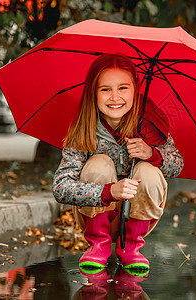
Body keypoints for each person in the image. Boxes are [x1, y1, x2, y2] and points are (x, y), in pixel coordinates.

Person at [52, 53, 183, 270]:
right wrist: (109, 191)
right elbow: (60, 187)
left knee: (148, 171)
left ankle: (131, 247)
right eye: (105, 89)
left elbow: (177, 164)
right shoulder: (85, 130)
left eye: (123, 88)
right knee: (99, 163)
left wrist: (152, 153)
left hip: (137, 216)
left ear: (135, 89)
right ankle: (98, 245)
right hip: (95, 214)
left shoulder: (149, 124)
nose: (115, 97)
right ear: (93, 94)